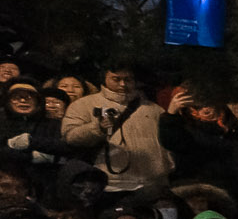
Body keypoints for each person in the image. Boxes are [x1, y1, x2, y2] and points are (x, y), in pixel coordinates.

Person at [60, 64, 172, 198]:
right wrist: (98, 128)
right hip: (110, 184)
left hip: (152, 183)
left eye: (128, 79)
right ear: (105, 79)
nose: (123, 84)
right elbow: (70, 137)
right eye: (116, 79)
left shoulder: (153, 109)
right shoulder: (83, 105)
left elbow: (169, 142)